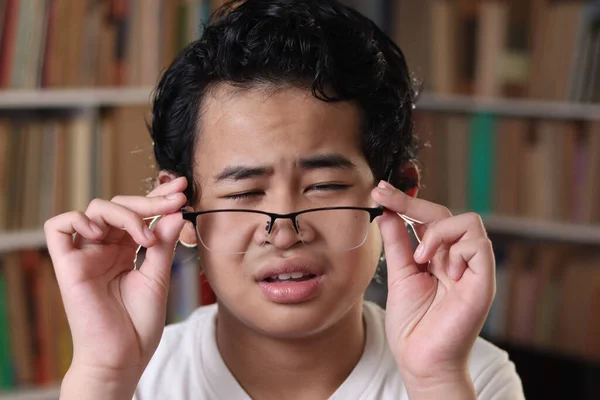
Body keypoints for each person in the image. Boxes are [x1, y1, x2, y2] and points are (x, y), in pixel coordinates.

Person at [44, 1, 525, 399]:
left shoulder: (470, 376)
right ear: (180, 212)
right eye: (245, 192)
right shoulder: (134, 379)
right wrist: (104, 374)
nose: (287, 231)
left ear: (400, 194)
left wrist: (436, 379)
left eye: (325, 187)